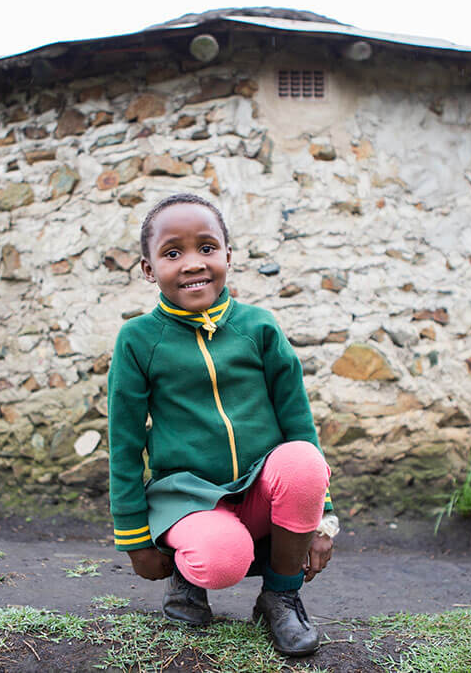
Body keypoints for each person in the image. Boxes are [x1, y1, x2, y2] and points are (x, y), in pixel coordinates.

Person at [106, 193, 339, 656]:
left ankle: (281, 596)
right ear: (149, 270)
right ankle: (186, 581)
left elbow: (298, 422)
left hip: (259, 490)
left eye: (207, 248)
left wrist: (323, 517)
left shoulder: (260, 328)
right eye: (173, 253)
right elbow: (125, 444)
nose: (193, 263)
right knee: (220, 559)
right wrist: (133, 538)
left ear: (228, 256)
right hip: (187, 499)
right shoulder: (138, 341)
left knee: (302, 461)